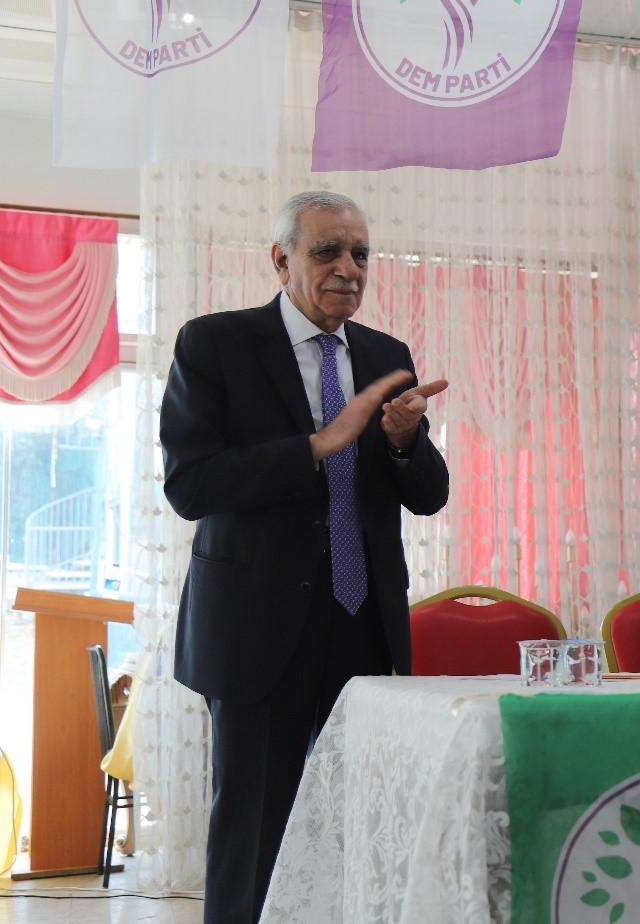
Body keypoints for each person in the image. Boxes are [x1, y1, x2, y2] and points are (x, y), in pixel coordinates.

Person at [160, 190, 449, 923]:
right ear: (281, 259)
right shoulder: (215, 344)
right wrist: (315, 447)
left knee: (360, 829)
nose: (348, 268)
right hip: (256, 629)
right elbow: (192, 484)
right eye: (327, 251)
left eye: (360, 254)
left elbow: (428, 496)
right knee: (256, 831)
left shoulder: (386, 356)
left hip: (362, 623)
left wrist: (403, 442)